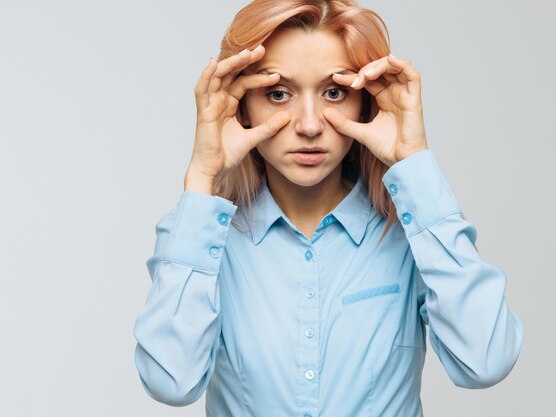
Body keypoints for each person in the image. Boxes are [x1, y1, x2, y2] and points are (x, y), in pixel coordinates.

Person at [133, 0, 524, 416]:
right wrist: (202, 180)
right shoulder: (200, 234)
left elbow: (485, 362)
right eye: (278, 93)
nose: (309, 124)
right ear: (241, 104)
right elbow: (170, 383)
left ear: (365, 101)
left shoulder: (413, 232)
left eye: (334, 92)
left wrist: (415, 163)